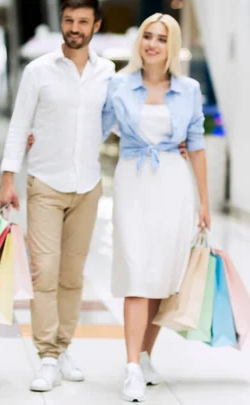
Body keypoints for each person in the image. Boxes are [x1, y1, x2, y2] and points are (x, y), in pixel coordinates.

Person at [0, 0, 115, 392]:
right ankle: (47, 355)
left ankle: (64, 348)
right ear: (61, 23)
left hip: (88, 185)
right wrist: (7, 178)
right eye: (69, 20)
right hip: (45, 183)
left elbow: (116, 120)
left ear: (96, 24)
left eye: (83, 21)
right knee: (43, 273)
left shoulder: (107, 72)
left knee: (72, 275)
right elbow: (19, 125)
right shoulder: (38, 71)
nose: (75, 27)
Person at [102, 13, 210, 402]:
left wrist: (204, 204)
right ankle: (131, 367)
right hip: (134, 183)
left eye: (161, 38)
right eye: (147, 36)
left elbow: (196, 145)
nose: (152, 44)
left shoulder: (189, 89)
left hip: (175, 186)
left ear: (172, 45)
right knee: (137, 273)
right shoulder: (118, 84)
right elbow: (94, 128)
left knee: (165, 278)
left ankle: (146, 355)